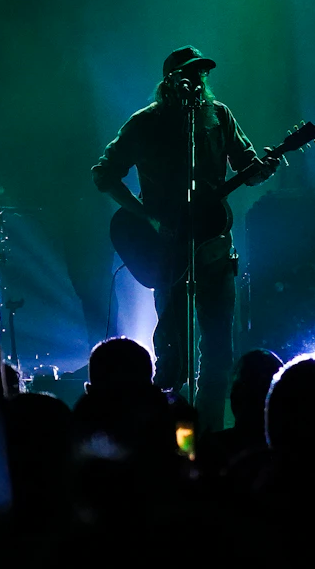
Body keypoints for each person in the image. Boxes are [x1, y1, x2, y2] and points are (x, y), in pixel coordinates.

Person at [92, 46, 276, 423]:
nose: (197, 80)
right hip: (169, 251)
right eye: (188, 73)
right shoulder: (146, 122)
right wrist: (146, 216)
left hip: (214, 249)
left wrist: (263, 169)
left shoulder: (218, 116)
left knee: (218, 351)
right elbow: (104, 173)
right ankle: (170, 436)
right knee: (172, 354)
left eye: (202, 74)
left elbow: (247, 165)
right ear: (169, 81)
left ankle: (206, 435)